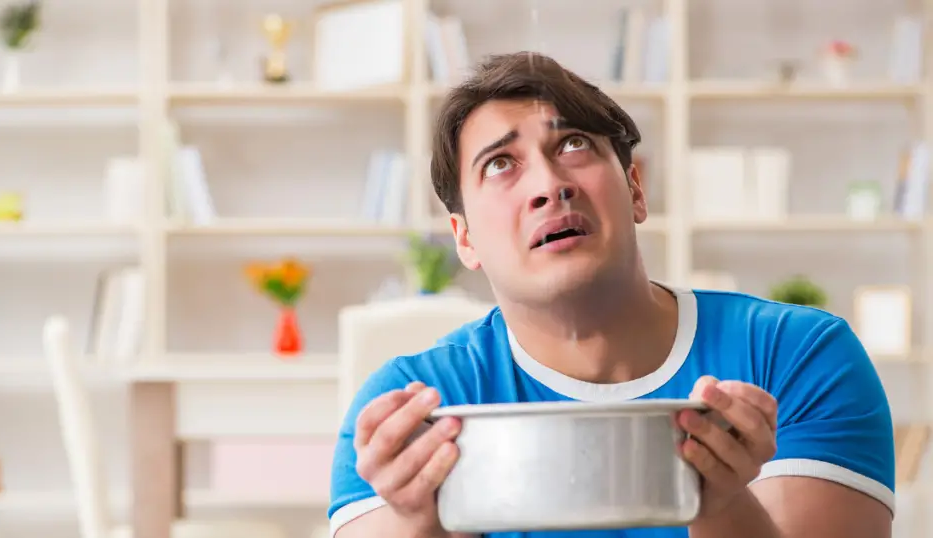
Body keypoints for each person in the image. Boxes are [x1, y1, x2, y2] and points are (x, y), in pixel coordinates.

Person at [327, 52, 895, 538]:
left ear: (635, 190)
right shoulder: (406, 416)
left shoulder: (801, 357)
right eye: (500, 164)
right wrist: (422, 523)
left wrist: (721, 506)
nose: (549, 185)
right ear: (465, 238)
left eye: (573, 144)